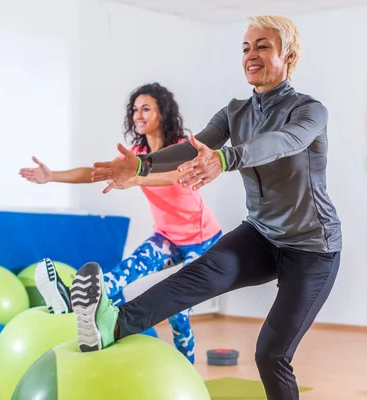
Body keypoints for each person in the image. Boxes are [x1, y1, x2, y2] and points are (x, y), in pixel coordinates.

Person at [71, 15, 342, 400]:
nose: (251, 55)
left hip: (314, 248)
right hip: (263, 234)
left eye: (263, 46)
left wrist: (225, 159)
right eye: (246, 47)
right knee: (201, 274)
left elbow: (283, 142)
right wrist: (141, 164)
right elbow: (189, 148)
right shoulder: (235, 112)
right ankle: (112, 325)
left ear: (289, 55)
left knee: (270, 353)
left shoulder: (310, 112)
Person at [19, 83, 223, 364]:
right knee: (114, 279)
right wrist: (51, 175)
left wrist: (137, 177)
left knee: (178, 311)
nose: (138, 115)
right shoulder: (135, 152)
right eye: (135, 109)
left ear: (162, 113)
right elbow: (95, 171)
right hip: (167, 238)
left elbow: (174, 176)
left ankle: (186, 370)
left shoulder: (180, 148)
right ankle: (70, 299)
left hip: (204, 240)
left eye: (146, 109)